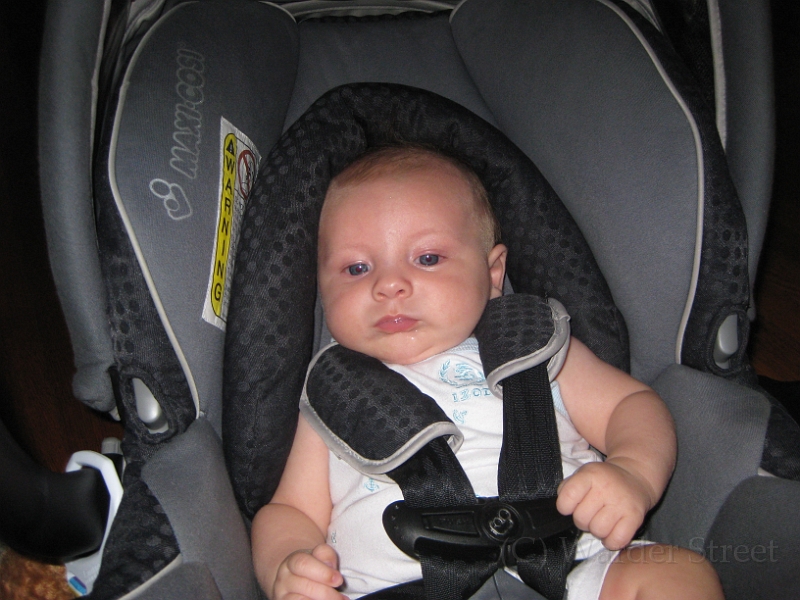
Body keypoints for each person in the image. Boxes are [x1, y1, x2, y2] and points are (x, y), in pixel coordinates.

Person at [251, 146, 724, 600]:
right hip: (396, 588)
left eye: (427, 258)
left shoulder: (532, 349)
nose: (389, 285)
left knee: (676, 574)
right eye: (357, 268)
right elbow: (290, 511)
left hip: (572, 569)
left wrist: (633, 472)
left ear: (493, 273)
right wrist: (287, 566)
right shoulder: (335, 395)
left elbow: (630, 406)